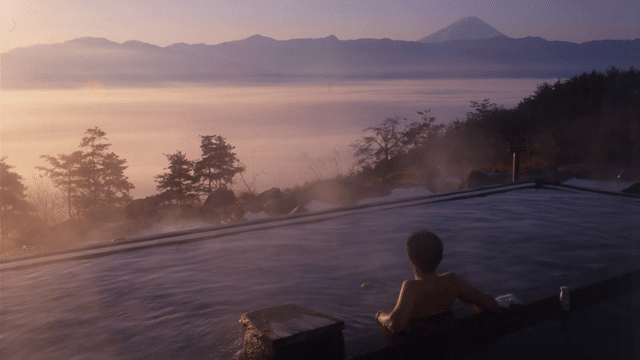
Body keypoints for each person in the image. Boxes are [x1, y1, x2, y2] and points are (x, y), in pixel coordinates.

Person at [376, 230, 499, 342]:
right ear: (440, 256)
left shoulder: (411, 287)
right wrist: (473, 303)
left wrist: (380, 316)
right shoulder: (452, 281)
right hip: (449, 342)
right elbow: (491, 304)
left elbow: (396, 324)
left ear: (411, 261)